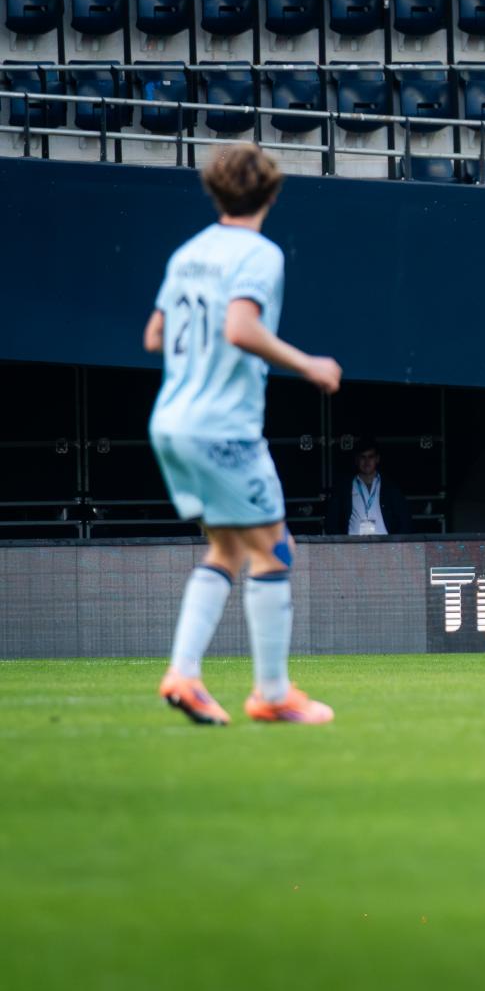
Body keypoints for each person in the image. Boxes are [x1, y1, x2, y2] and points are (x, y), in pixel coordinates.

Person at [144, 143, 342, 726]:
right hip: (222, 426)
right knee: (275, 549)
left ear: (214, 192)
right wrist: (308, 364)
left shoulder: (188, 253)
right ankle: (272, 694)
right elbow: (239, 327)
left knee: (229, 549)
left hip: (172, 422)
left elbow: (155, 335)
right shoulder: (259, 254)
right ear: (273, 194)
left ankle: (186, 675)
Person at [323, 438, 414, 535]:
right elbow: (331, 520)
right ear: (357, 460)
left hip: (384, 542)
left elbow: (405, 518)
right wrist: (341, 542)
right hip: (352, 542)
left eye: (370, 457)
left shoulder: (390, 487)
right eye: (363, 457)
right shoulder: (344, 487)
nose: (367, 461)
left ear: (377, 459)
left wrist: (396, 541)